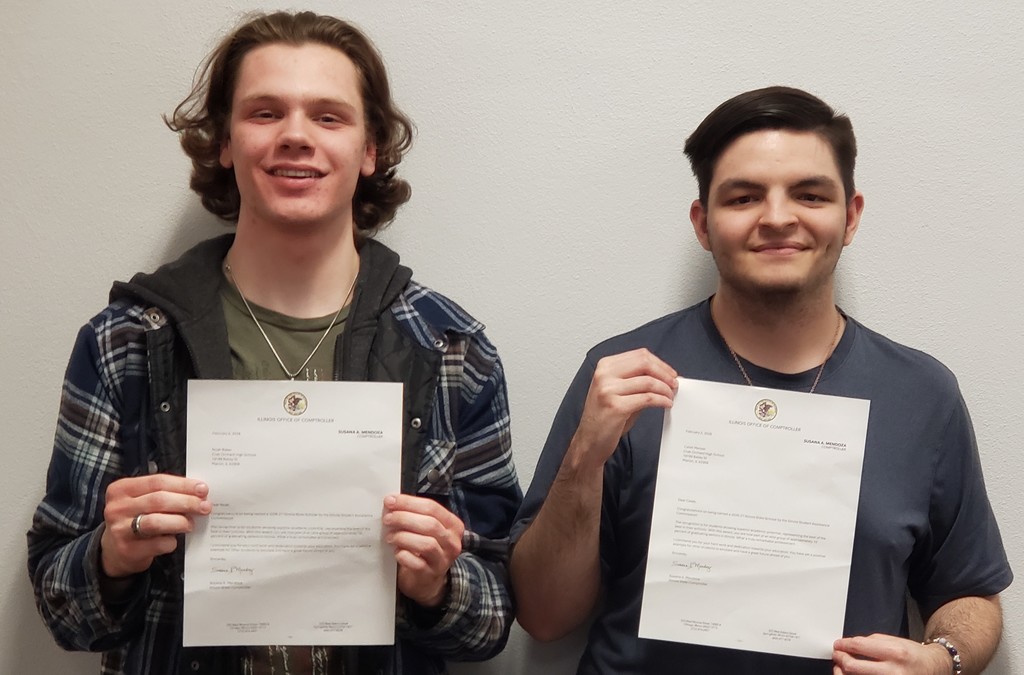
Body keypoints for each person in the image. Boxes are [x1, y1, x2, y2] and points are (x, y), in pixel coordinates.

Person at [27, 10, 520, 675]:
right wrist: (112, 554)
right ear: (226, 142)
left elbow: (494, 620)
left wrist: (439, 582)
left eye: (328, 116)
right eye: (264, 113)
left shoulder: (452, 347)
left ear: (369, 149)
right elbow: (59, 607)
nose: (295, 136)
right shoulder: (125, 342)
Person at [509, 86, 1011, 674]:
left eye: (809, 194)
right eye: (744, 197)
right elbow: (543, 618)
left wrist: (942, 660)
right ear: (703, 223)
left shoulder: (923, 393)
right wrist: (583, 463)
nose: (777, 218)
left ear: (850, 218)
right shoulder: (622, 375)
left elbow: (969, 592)